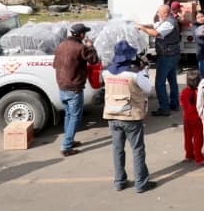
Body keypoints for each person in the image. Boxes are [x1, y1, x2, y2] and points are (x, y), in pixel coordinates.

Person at [102, 40, 155, 193]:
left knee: (117, 149)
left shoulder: (106, 72)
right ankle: (141, 183)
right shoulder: (134, 75)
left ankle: (119, 181)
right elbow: (148, 90)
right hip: (131, 116)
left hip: (112, 115)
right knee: (137, 150)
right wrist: (144, 70)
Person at [53, 23, 98, 156]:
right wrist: (90, 46)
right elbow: (94, 60)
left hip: (62, 87)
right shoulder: (81, 47)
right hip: (74, 88)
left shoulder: (60, 46)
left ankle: (69, 140)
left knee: (68, 115)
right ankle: (66, 146)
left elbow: (55, 65)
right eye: (84, 33)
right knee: (75, 117)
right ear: (81, 35)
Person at [139, 4, 180, 117]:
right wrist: (141, 25)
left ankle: (164, 108)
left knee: (159, 83)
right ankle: (174, 104)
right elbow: (154, 25)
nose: (157, 14)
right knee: (172, 81)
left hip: (167, 56)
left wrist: (142, 29)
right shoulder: (166, 20)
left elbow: (156, 33)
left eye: (159, 12)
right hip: (172, 54)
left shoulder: (169, 23)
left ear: (165, 13)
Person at [181, 69, 204, 165]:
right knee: (198, 139)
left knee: (187, 138)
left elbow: (182, 104)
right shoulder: (199, 92)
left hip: (187, 118)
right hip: (197, 119)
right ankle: (198, 157)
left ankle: (189, 154)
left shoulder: (183, 92)